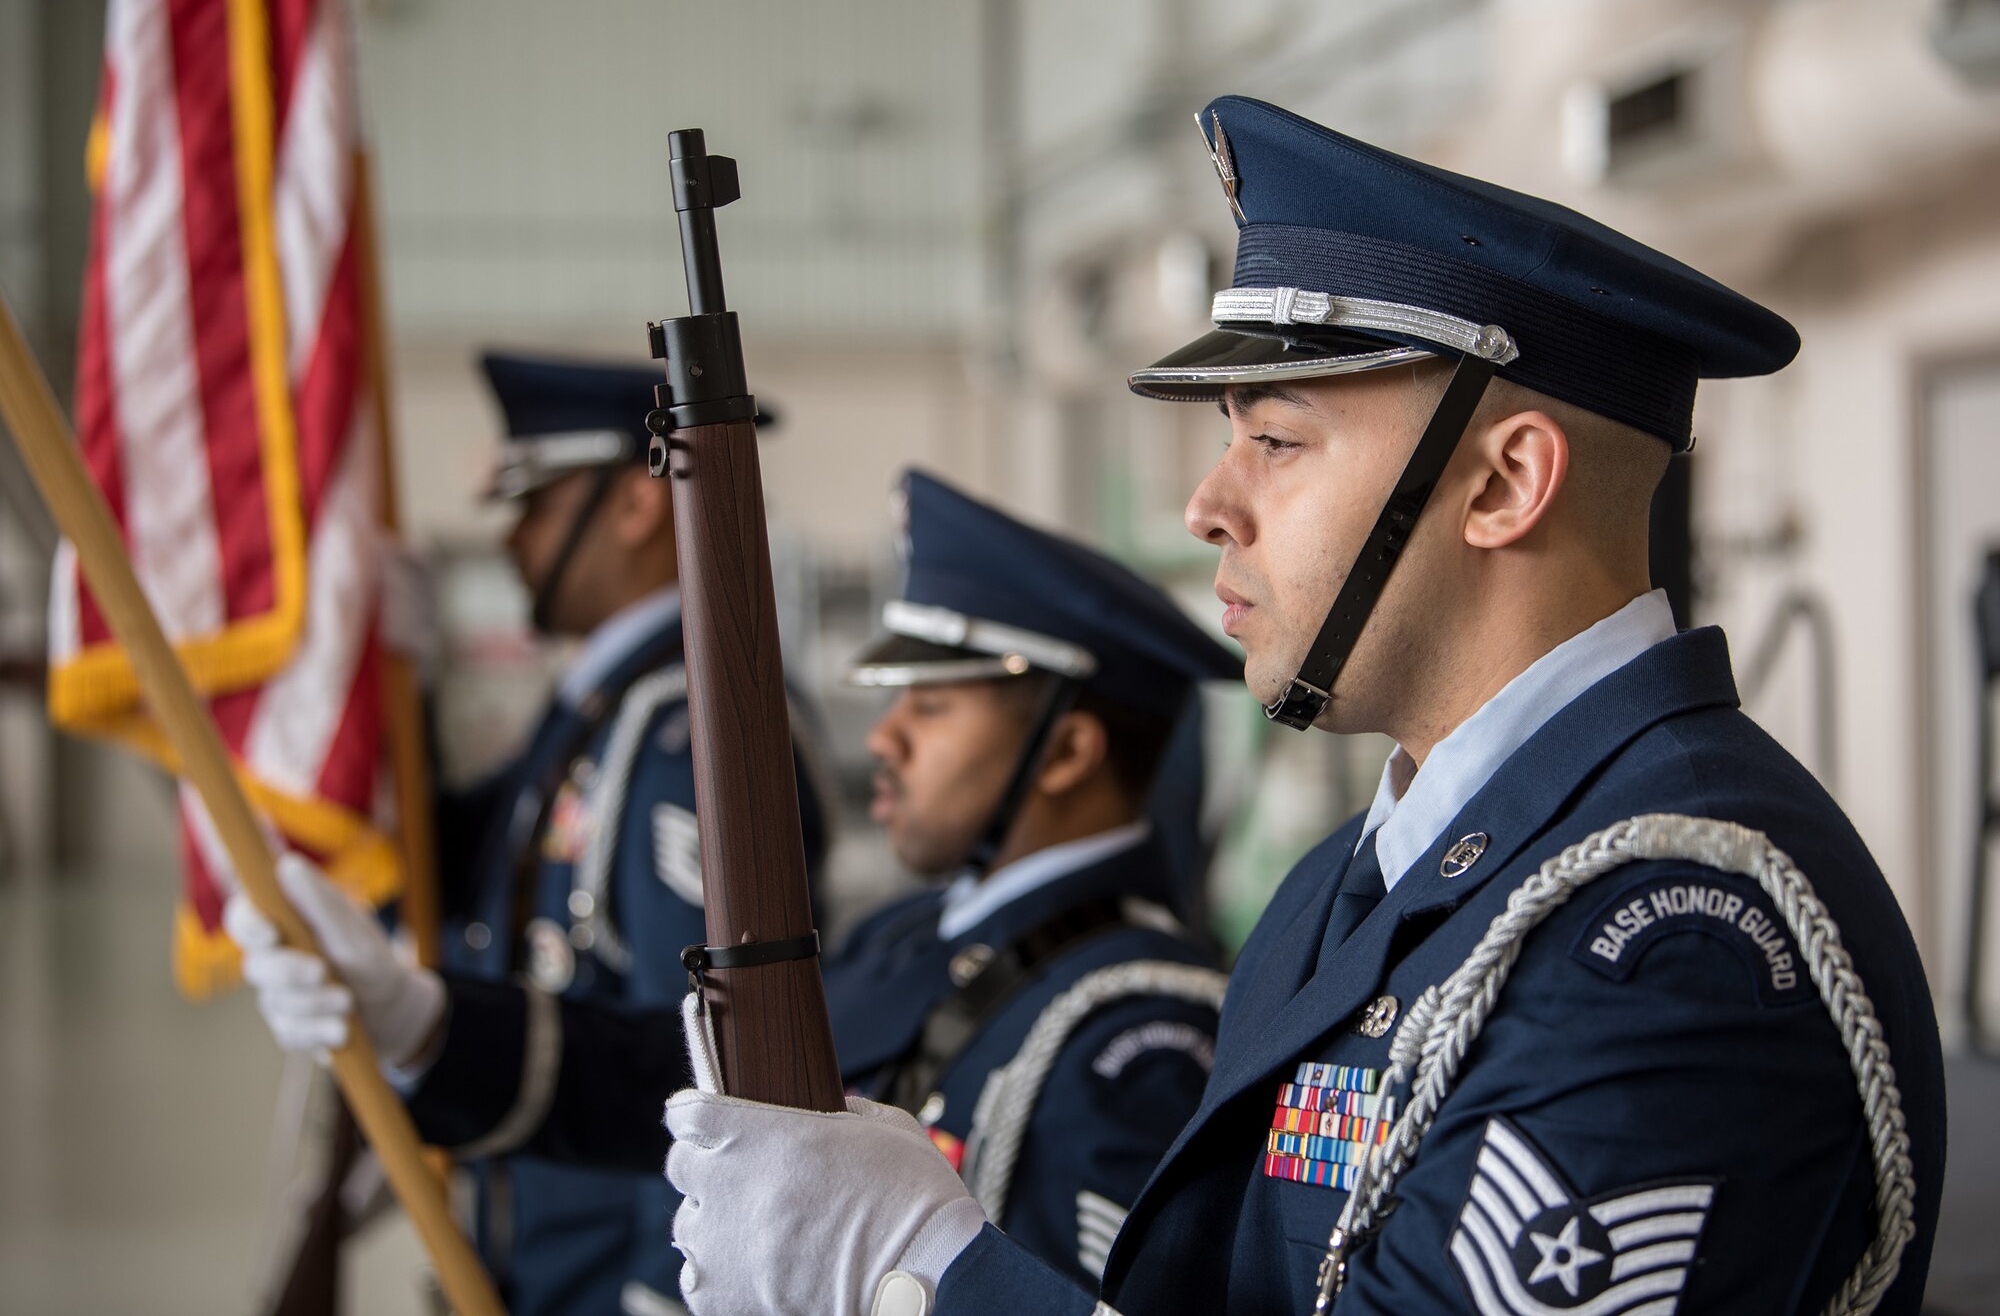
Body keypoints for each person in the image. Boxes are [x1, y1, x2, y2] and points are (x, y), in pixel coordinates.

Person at [657, 97, 1948, 1316]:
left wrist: (924, 1273)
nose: (1207, 503)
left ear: (1503, 485)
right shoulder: (1341, 892)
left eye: (1276, 439)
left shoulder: (1677, 944)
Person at [228, 467, 1240, 1298]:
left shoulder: (1135, 1036)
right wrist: (429, 1026)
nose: (880, 739)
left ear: (1066, 750)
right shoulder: (906, 938)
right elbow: (680, 1101)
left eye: (929, 709)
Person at [232, 351, 834, 1316]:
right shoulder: (599, 707)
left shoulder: (692, 736)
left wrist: (661, 1297)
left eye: (535, 506)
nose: (510, 541)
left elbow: (704, 1075)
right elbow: (459, 864)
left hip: (616, 1276)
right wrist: (395, 701)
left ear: (635, 507)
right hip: (536, 1257)